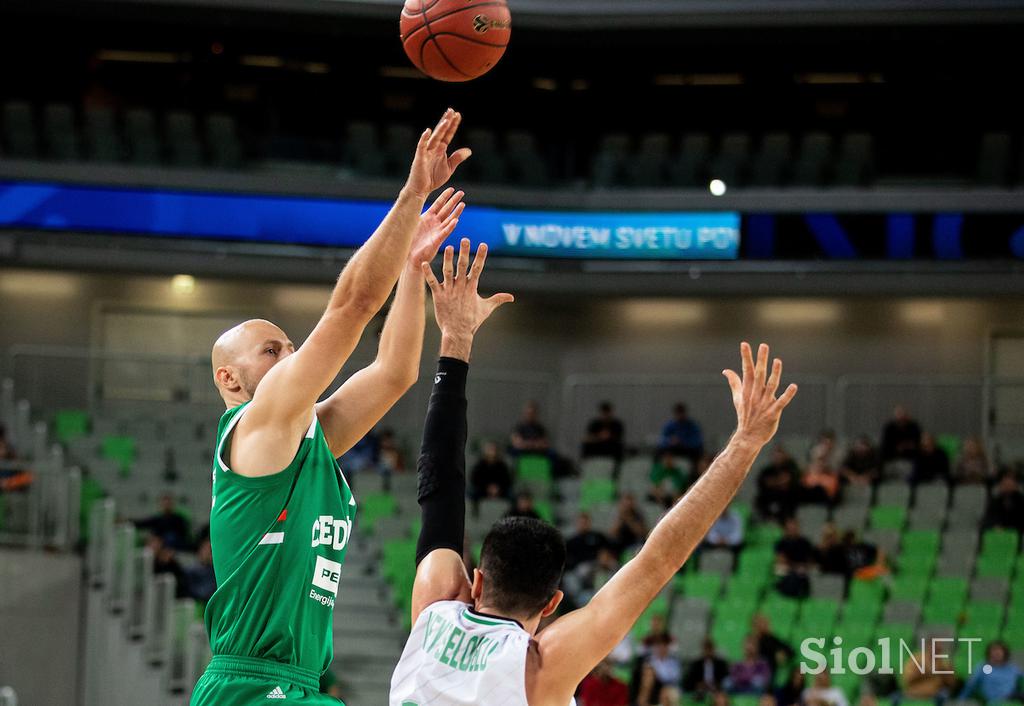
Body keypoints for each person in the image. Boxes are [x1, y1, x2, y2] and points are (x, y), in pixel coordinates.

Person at [191, 108, 471, 706]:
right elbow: (353, 304)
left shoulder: (304, 438)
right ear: (230, 379)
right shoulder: (256, 426)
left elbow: (396, 373)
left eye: (290, 346)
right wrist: (412, 194)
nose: (291, 356)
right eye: (272, 350)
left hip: (294, 686)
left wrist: (415, 270)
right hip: (248, 686)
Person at [390, 339, 797, 706]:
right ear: (552, 603)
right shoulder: (541, 667)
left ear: (477, 582)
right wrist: (744, 444)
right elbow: (657, 560)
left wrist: (455, 341)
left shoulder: (434, 609)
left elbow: (439, 482)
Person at [774, 517, 817, 598]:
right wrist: (794, 567)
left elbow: (811, 563)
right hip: (787, 574)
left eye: (794, 527)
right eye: (790, 528)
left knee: (800, 576)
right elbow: (781, 564)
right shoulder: (781, 543)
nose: (792, 530)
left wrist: (802, 568)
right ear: (786, 529)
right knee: (787, 575)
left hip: (803, 574)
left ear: (798, 528)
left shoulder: (805, 543)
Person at [637, 633, 682, 706]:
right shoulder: (649, 660)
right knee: (648, 677)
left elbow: (674, 678)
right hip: (652, 689)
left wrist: (656, 674)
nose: (661, 648)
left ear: (667, 647)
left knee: (670, 692)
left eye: (664, 645)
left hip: (667, 687)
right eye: (658, 645)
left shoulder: (673, 662)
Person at [756, 446, 800, 521]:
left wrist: (775, 482)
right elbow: (763, 483)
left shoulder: (790, 468)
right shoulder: (767, 471)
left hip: (786, 501)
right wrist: (780, 481)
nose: (778, 458)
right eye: (775, 455)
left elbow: (794, 480)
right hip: (769, 499)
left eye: (780, 455)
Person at [658, 403, 704, 468]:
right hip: (674, 448)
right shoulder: (670, 425)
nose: (680, 416)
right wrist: (670, 441)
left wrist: (683, 441)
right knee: (660, 452)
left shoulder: (692, 425)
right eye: (678, 414)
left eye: (681, 413)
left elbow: (698, 440)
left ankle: (694, 473)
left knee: (698, 452)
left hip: (688, 448)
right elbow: (662, 439)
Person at [749, 614, 793, 682]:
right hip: (752, 671)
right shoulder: (751, 640)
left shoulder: (772, 639)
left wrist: (783, 655)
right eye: (758, 623)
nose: (761, 625)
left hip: (767, 671)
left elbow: (790, 650)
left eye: (763, 623)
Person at [183, 537, 218, 604]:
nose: (209, 553)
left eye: (211, 551)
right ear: (200, 551)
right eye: (206, 549)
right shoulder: (190, 571)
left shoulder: (215, 572)